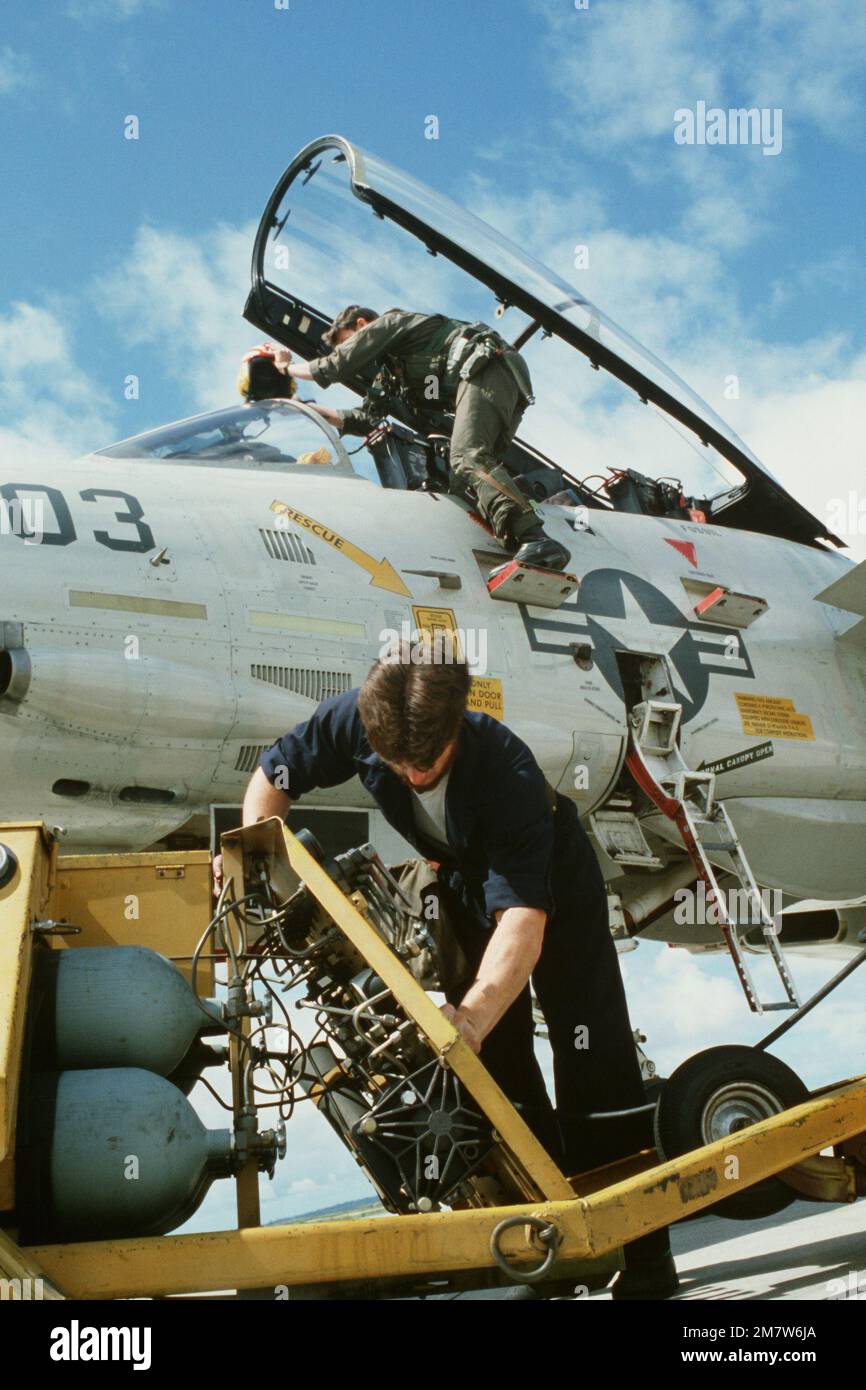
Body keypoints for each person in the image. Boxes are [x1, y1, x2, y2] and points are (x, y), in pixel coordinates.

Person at [215, 640, 679, 1299]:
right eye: (393, 763)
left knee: (594, 1063)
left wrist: (473, 1014)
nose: (408, 775)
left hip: (554, 892)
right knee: (497, 1073)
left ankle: (648, 1257)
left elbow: (522, 919)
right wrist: (254, 857)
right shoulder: (356, 718)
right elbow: (274, 775)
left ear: (457, 726)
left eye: (423, 765)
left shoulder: (508, 774)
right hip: (460, 883)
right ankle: (553, 1253)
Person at [241, 306, 570, 572]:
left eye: (348, 340)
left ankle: (535, 537)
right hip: (496, 381)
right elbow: (366, 417)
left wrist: (285, 369)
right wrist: (306, 410)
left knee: (467, 456)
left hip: (487, 368)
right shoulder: (392, 372)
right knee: (463, 482)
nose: (353, 350)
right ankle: (521, 545)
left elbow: (334, 367)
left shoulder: (392, 323)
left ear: (361, 323)